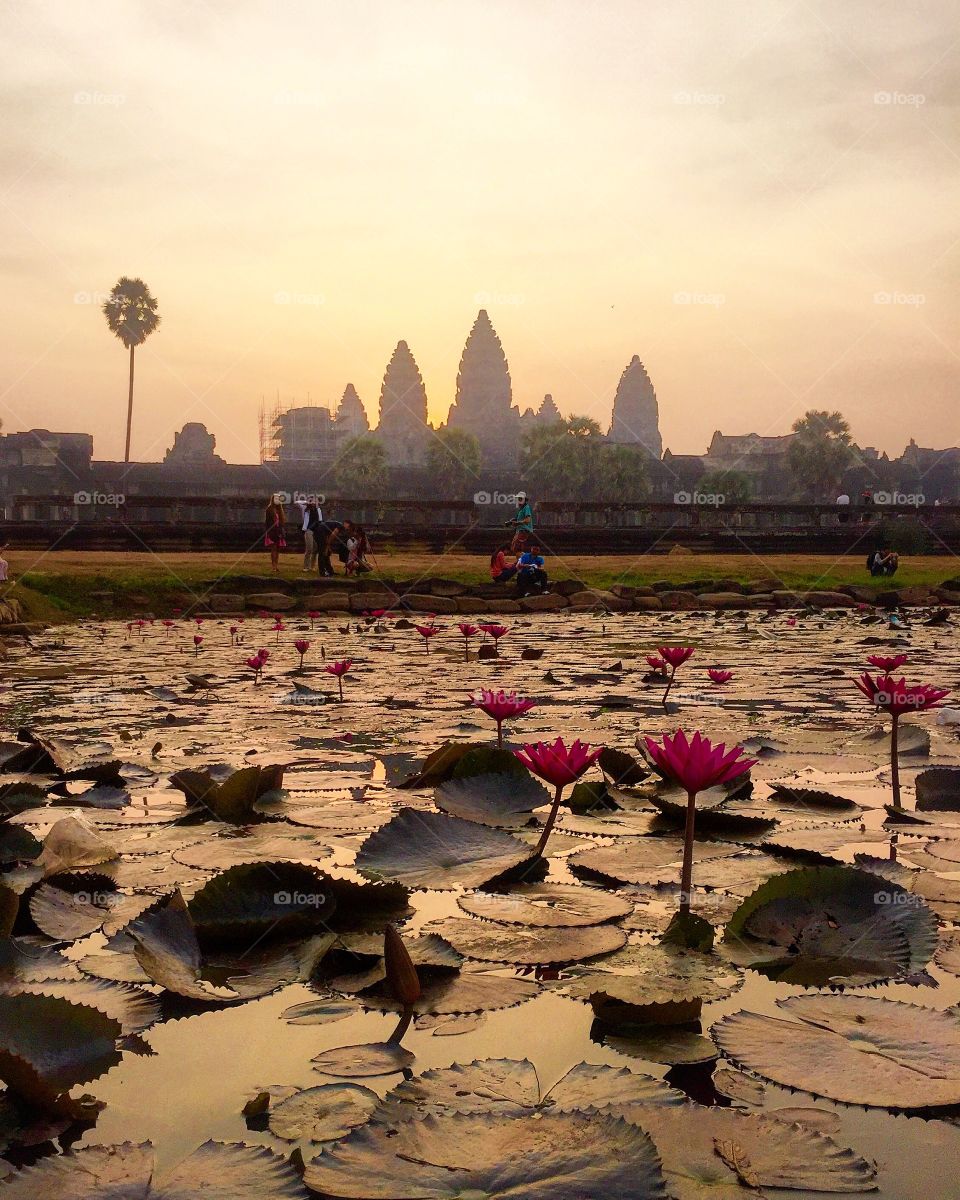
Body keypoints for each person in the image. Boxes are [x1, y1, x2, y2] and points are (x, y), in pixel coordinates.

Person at [264, 497, 286, 574]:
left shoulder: (280, 510)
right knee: (273, 549)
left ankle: (276, 565)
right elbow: (267, 522)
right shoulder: (269, 509)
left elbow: (282, 521)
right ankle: (273, 566)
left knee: (278, 549)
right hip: (272, 531)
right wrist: (269, 532)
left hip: (278, 531)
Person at [302, 500, 323, 572]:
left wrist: (317, 508)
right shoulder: (307, 510)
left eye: (315, 502)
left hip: (316, 531)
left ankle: (312, 566)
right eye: (312, 502)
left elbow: (320, 520)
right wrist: (307, 503)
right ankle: (306, 566)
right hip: (309, 530)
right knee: (309, 548)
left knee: (316, 548)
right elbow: (298, 503)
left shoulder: (318, 510)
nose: (314, 503)